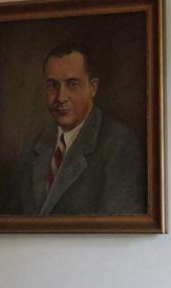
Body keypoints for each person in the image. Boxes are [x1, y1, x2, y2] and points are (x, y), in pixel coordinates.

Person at [10, 43, 144, 216]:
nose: (60, 97)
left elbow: (119, 225)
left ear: (93, 87)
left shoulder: (119, 143)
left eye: (72, 84)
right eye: (53, 85)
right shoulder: (34, 142)